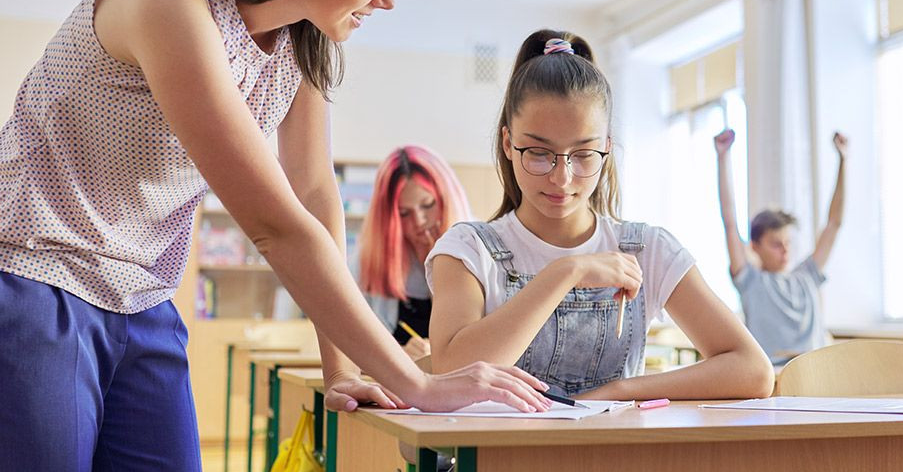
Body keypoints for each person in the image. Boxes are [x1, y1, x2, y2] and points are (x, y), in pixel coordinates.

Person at [0, 0, 549, 472]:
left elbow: (312, 194)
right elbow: (274, 224)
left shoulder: (302, 45)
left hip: (142, 299)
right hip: (28, 278)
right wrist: (415, 382)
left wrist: (345, 372)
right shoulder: (168, 6)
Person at [426, 30, 774, 401]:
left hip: (616, 457)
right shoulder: (468, 249)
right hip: (499, 458)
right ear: (508, 143)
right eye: (539, 153)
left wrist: (621, 390)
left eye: (583, 154)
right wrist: (566, 273)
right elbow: (451, 370)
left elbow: (752, 371)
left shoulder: (646, 248)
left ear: (607, 147)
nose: (562, 177)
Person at [714, 128, 848, 364]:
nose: (785, 250)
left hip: (816, 375)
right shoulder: (751, 281)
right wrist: (723, 158)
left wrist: (843, 161)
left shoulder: (806, 276)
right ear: (755, 246)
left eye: (788, 243)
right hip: (774, 377)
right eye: (776, 244)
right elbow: (730, 223)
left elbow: (834, 223)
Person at [359, 145, 471, 360]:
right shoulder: (370, 261)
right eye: (404, 213)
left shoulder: (478, 251)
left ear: (447, 200)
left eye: (428, 205)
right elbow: (354, 346)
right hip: (396, 383)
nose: (419, 222)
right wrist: (399, 355)